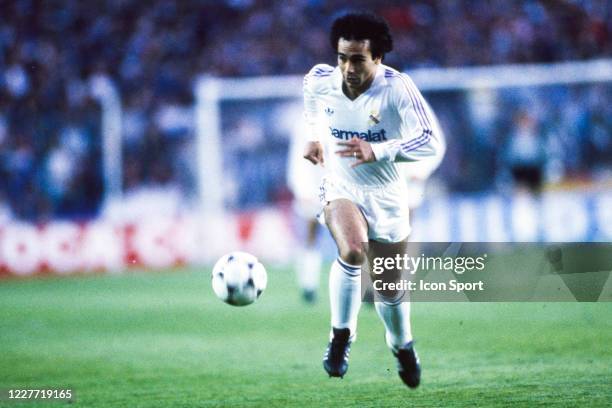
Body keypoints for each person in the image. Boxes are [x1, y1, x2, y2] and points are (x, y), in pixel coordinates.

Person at [302, 12, 444, 388]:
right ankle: (340, 337)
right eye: (342, 57)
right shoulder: (320, 80)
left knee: (389, 288)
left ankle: (402, 346)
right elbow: (312, 105)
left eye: (358, 59)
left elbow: (430, 141)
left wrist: (379, 150)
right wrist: (315, 136)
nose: (348, 67)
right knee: (351, 251)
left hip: (387, 194)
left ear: (377, 58)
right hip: (341, 187)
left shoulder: (397, 88)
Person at [287, 113, 326, 303]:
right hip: (314, 186)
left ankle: (368, 288)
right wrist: (302, 188)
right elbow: (297, 156)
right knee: (311, 235)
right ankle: (308, 286)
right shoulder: (305, 121)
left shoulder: (347, 109)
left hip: (344, 183)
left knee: (356, 234)